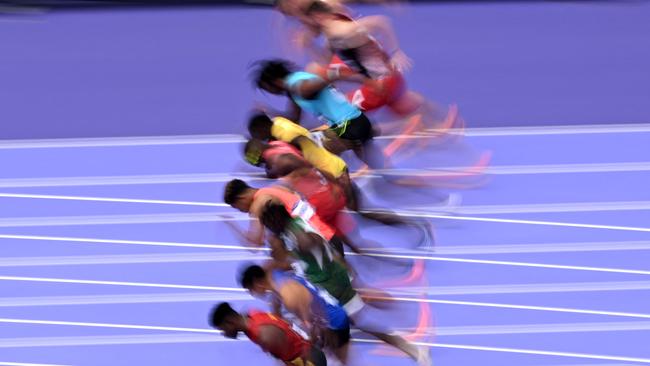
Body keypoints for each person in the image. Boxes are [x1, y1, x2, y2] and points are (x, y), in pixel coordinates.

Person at [260, 202, 432, 366]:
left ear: (276, 221)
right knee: (358, 324)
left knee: (331, 332)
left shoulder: (300, 238)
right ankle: (412, 348)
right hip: (335, 279)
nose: (269, 229)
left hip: (329, 287)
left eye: (269, 225)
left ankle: (410, 348)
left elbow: (312, 249)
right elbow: (320, 253)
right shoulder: (292, 228)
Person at [251, 59, 385, 170]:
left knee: (308, 151)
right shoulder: (294, 88)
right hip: (356, 122)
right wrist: (269, 113)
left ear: (273, 82)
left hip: (348, 127)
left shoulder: (298, 87)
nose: (270, 93)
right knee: (378, 168)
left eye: (267, 89)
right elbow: (294, 120)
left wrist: (363, 80)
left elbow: (329, 77)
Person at [240, 264, 351, 363]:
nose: (253, 294)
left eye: (251, 290)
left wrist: (311, 339)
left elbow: (310, 318)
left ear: (257, 283)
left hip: (335, 322)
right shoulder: (275, 274)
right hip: (331, 311)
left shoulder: (288, 298)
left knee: (339, 359)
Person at [210, 302, 327, 366]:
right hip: (308, 353)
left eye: (223, 330)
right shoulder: (251, 314)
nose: (224, 334)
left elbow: (294, 357)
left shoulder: (265, 336)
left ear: (230, 322)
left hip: (311, 361)